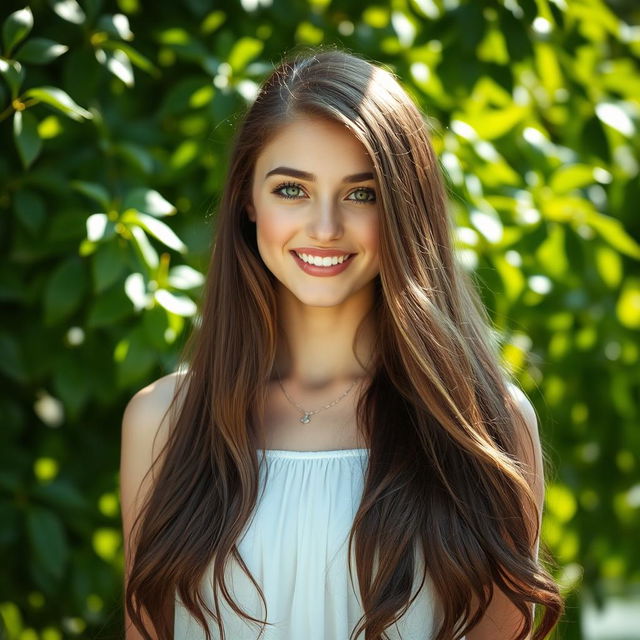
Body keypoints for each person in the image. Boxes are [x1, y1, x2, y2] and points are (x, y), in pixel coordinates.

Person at [119, 45, 564, 640]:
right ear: (247, 201)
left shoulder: (486, 427)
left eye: (362, 193)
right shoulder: (163, 422)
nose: (324, 227)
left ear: (406, 208)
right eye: (291, 190)